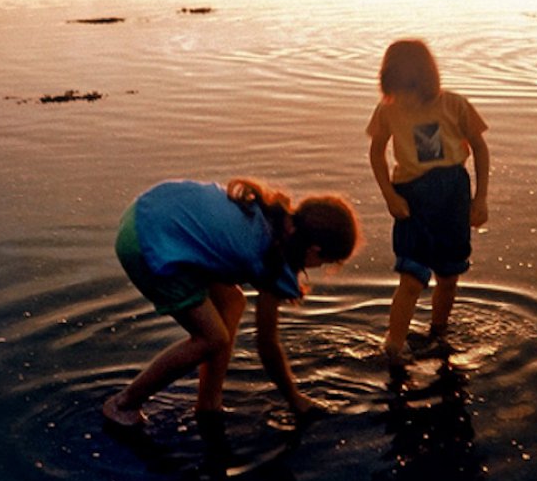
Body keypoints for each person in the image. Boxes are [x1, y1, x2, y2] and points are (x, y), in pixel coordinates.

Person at [101, 177, 361, 428]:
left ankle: (209, 403)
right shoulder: (273, 262)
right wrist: (294, 399)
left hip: (145, 209)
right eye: (324, 263)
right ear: (314, 250)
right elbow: (267, 344)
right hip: (147, 243)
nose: (317, 268)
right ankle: (123, 405)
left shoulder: (271, 215)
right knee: (211, 338)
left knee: (232, 302)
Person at [367, 39, 490, 366]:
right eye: (395, 90)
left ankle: (438, 333)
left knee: (449, 276)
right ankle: (394, 346)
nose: (404, 99)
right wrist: (390, 196)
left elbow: (479, 147)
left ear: (425, 80)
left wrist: (480, 199)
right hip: (412, 197)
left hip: (452, 194)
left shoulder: (455, 105)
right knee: (412, 276)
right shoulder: (388, 109)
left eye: (409, 89)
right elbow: (376, 152)